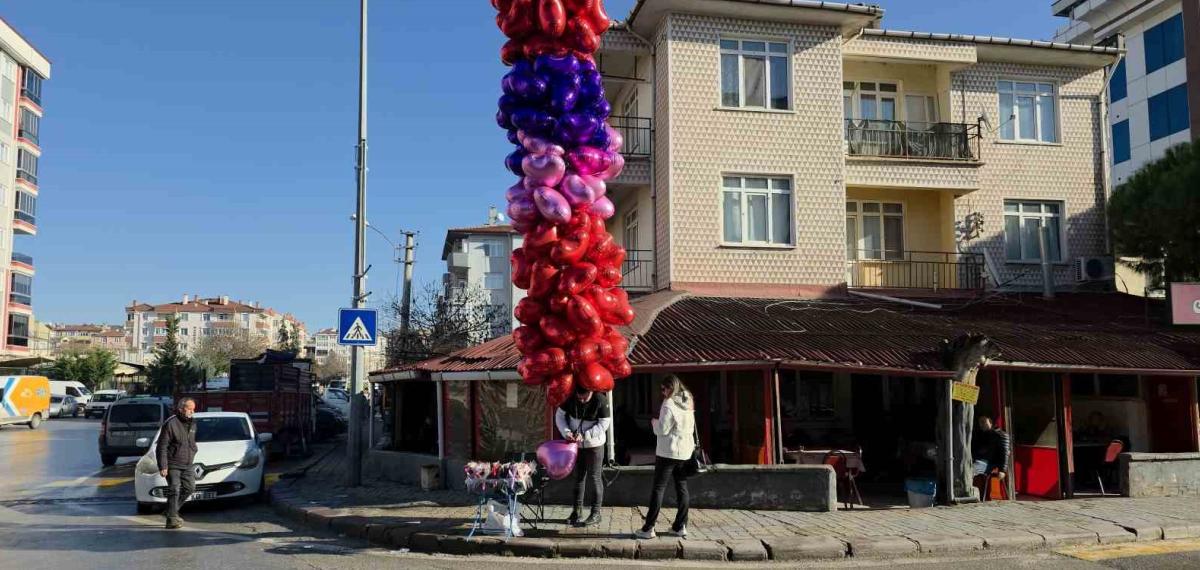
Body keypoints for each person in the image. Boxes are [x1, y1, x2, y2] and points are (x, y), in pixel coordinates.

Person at [636, 375, 696, 540]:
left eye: (664, 389)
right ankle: (680, 526)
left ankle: (649, 528)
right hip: (685, 451)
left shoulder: (668, 404)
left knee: (658, 489)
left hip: (668, 452)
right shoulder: (688, 401)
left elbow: (662, 429)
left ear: (671, 387)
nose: (662, 393)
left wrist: (654, 422)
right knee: (682, 488)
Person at [555, 385, 611, 527]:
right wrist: (566, 432)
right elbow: (560, 415)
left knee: (594, 477)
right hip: (576, 445)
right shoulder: (571, 397)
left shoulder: (600, 399)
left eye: (585, 397)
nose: (582, 400)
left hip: (594, 444)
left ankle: (595, 513)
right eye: (579, 398)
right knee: (578, 477)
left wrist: (586, 435)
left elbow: (604, 423)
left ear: (591, 391)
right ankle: (577, 511)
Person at [156, 397, 198, 529]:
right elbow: (161, 446)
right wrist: (163, 466)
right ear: (181, 409)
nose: (192, 412)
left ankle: (170, 510)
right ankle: (172, 520)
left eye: (193, 409)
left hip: (187, 464)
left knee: (190, 488)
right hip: (173, 463)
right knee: (174, 488)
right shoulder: (171, 423)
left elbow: (191, 441)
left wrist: (194, 449)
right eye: (189, 409)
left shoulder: (193, 423)